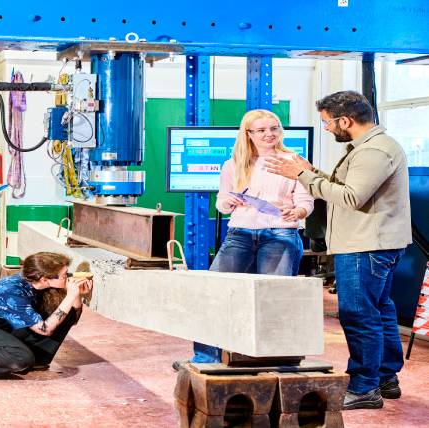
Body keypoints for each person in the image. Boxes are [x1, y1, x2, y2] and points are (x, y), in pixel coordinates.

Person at [265, 90, 412, 411]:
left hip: (365, 246)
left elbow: (350, 197)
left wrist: (300, 175)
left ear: (345, 120)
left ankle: (363, 387)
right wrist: (311, 171)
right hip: (374, 243)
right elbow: (346, 187)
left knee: (359, 316)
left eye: (328, 123)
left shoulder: (373, 151)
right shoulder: (370, 147)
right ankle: (384, 377)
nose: (328, 128)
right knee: (379, 310)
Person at [176, 109, 314, 368]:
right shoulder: (233, 164)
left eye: (274, 128)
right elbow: (221, 201)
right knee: (214, 293)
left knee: (273, 300)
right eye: (261, 130)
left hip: (281, 235)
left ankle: (272, 361)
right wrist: (228, 202)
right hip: (239, 234)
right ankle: (205, 357)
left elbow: (306, 201)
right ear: (248, 134)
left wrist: (298, 212)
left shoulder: (294, 161)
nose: (269, 134)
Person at [0, 252, 92, 379]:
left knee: (65, 315)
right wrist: (69, 296)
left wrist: (77, 295)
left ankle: (27, 356)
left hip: (4, 326)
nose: (68, 277)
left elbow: (72, 318)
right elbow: (45, 329)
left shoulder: (40, 284)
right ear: (44, 279)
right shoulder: (11, 291)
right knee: (21, 358)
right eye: (64, 275)